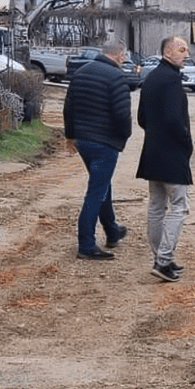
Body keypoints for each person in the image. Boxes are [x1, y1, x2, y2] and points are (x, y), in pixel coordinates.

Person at [63, 42, 132, 260]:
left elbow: (68, 107)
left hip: (83, 140)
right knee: (96, 192)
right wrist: (124, 136)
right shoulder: (116, 76)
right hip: (105, 142)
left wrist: (70, 136)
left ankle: (112, 231)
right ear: (119, 55)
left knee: (102, 185)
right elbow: (122, 115)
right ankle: (86, 244)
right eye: (124, 55)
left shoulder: (81, 72)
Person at [135, 36, 193, 282]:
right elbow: (174, 120)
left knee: (157, 207)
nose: (186, 54)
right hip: (171, 154)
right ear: (168, 52)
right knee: (179, 206)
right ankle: (162, 261)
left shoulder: (151, 77)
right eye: (182, 50)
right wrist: (186, 142)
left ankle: (162, 259)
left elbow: (141, 118)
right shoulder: (170, 80)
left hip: (153, 152)